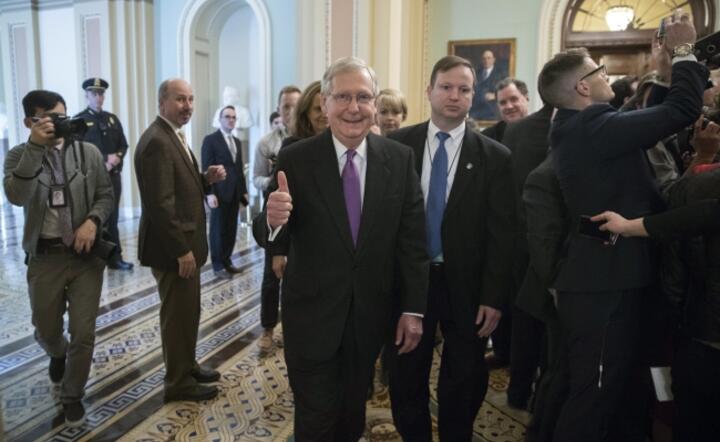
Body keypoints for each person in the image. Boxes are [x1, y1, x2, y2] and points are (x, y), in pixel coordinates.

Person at [539, 12, 708, 441]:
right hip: (602, 286)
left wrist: (668, 67)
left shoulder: (581, 127)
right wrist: (685, 48)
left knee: (614, 390)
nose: (606, 75)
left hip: (612, 276)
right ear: (582, 87)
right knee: (592, 394)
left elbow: (649, 117)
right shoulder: (591, 126)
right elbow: (682, 110)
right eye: (598, 71)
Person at [261, 56, 428, 441]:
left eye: (364, 97)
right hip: (311, 319)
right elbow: (271, 232)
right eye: (343, 97)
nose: (354, 107)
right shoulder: (297, 159)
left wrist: (412, 309)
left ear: (375, 103)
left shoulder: (399, 160)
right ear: (326, 102)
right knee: (317, 419)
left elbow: (412, 242)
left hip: (369, 318)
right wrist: (272, 219)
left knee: (351, 415)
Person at [386, 55, 515, 441]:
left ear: (474, 96)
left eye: (464, 89)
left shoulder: (495, 156)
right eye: (446, 87)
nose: (454, 96)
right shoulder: (396, 148)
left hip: (468, 287)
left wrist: (493, 296)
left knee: (463, 380)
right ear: (429, 91)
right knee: (406, 376)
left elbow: (503, 233)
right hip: (411, 284)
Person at [3, 90, 114, 427]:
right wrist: (36, 148)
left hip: (84, 258)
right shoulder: (18, 156)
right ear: (30, 122)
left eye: (61, 116)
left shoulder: (88, 153)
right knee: (45, 327)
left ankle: (72, 395)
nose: (59, 123)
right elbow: (16, 195)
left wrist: (92, 222)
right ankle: (56, 351)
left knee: (84, 332)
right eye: (50, 118)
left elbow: (105, 196)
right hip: (45, 258)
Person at [134, 79, 227, 403]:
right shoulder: (158, 141)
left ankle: (187, 366)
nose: (187, 105)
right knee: (177, 318)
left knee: (188, 314)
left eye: (191, 99)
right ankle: (177, 383)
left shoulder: (172, 135)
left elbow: (178, 186)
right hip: (173, 251)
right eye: (179, 99)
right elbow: (160, 205)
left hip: (184, 247)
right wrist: (181, 250)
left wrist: (205, 179)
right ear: (162, 102)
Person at [252, 85, 301, 351]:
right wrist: (274, 181)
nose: (290, 111)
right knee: (271, 275)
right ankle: (268, 328)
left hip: (302, 220)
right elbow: (256, 179)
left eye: (295, 105)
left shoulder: (310, 140)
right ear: (279, 109)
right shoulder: (266, 143)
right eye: (286, 106)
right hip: (276, 216)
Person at [75, 77, 133, 270]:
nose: (98, 97)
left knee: (113, 217)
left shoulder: (112, 118)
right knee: (96, 218)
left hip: (113, 177)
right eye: (94, 94)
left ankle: (114, 257)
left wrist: (117, 157)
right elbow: (77, 150)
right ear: (87, 95)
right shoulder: (79, 120)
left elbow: (123, 145)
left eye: (101, 94)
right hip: (91, 179)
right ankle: (94, 257)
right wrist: (103, 161)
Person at [201, 105, 249, 279]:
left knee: (231, 229)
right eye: (227, 116)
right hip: (218, 193)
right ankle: (218, 265)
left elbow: (238, 168)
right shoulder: (211, 140)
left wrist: (243, 193)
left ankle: (227, 261)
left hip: (234, 193)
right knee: (217, 230)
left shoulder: (236, 141)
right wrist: (209, 193)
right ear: (220, 119)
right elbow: (206, 168)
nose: (231, 120)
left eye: (233, 117)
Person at [482, 77, 530, 143]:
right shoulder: (486, 138)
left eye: (514, 99)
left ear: (526, 98)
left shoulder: (542, 130)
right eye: (503, 103)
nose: (509, 106)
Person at [470, 49, 506, 121]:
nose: (486, 61)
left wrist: (495, 96)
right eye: (484, 58)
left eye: (489, 58)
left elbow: (506, 92)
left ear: (493, 60)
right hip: (476, 110)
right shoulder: (475, 73)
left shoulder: (501, 74)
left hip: (492, 111)